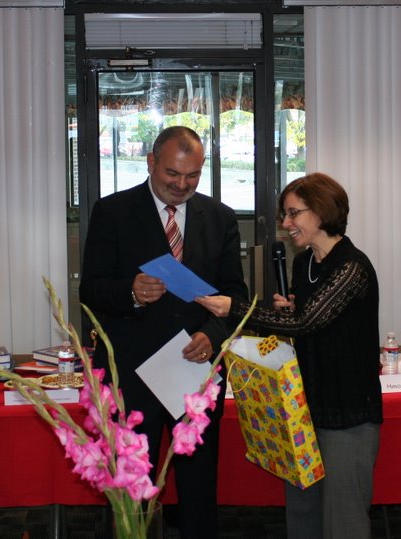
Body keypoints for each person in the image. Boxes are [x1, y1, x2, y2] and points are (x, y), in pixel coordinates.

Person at [79, 126, 248, 539]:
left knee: (198, 488)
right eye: (173, 173)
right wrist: (131, 292)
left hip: (195, 372)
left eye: (193, 175)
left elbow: (235, 295)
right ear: (151, 162)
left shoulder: (221, 218)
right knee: (132, 491)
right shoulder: (113, 211)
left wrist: (213, 334)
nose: (182, 185)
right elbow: (91, 289)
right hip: (132, 374)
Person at [196, 172, 383, 539]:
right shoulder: (304, 263)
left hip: (347, 412)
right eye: (285, 214)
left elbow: (306, 323)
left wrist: (236, 308)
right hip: (302, 408)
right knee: (302, 513)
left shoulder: (352, 266)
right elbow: (307, 322)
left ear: (321, 211)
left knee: (343, 520)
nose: (285, 223)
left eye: (294, 213)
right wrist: (290, 313)